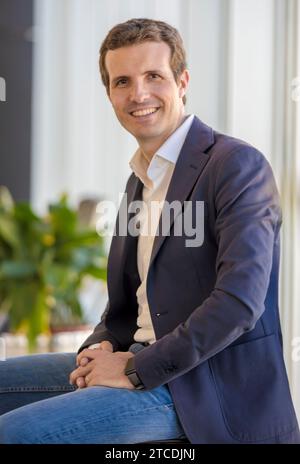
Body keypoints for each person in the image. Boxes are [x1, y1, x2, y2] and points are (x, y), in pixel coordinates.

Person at [0, 18, 299, 445]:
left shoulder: (236, 166)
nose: (138, 94)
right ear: (109, 94)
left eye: (153, 76)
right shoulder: (141, 179)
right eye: (122, 81)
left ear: (182, 82)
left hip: (201, 387)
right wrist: (102, 346)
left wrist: (135, 370)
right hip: (136, 360)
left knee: (15, 433)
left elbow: (237, 304)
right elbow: (126, 306)